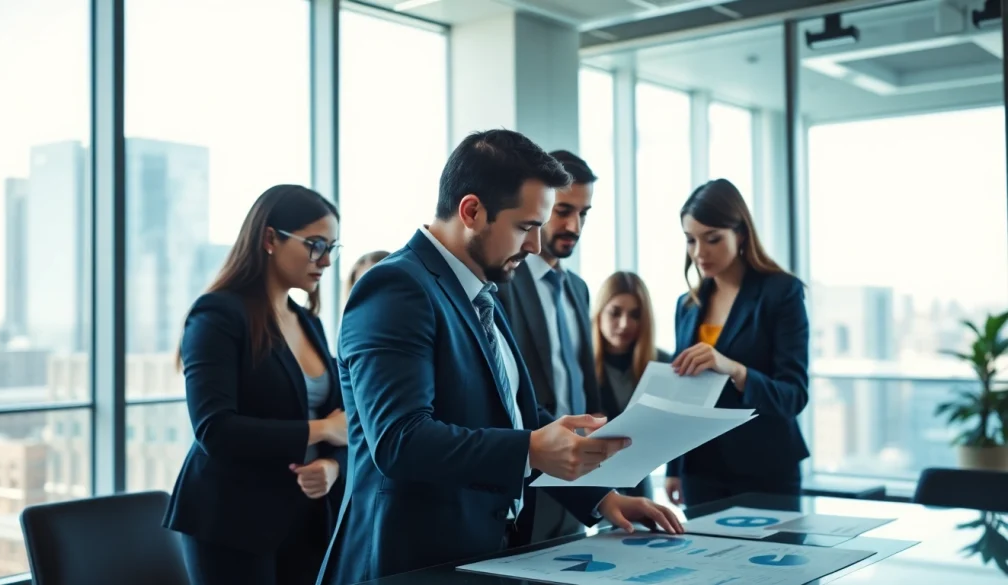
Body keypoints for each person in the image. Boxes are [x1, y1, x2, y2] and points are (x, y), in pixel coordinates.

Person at [318, 129, 682, 585]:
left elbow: (518, 415)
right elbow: (400, 440)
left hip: (484, 554)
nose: (534, 246)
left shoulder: (482, 292)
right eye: (526, 227)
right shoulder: (395, 288)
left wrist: (604, 499)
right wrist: (530, 449)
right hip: (409, 561)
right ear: (471, 211)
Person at [163, 185, 348, 585]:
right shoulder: (217, 315)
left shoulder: (308, 323)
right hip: (233, 522)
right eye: (316, 245)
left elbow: (343, 425)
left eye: (333, 247)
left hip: (307, 518)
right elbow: (215, 429)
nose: (327, 261)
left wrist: (332, 467)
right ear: (269, 238)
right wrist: (321, 430)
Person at [665, 178, 809, 508]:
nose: (700, 252)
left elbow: (794, 395)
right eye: (690, 240)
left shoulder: (781, 293)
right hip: (700, 471)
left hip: (765, 468)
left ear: (741, 233)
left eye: (712, 239)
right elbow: (682, 393)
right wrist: (675, 466)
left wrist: (734, 369)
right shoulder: (687, 306)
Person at [495, 149, 601, 544]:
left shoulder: (578, 289)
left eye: (584, 213)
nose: (574, 225)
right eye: (563, 210)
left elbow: (585, 383)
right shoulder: (503, 282)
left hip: (581, 472)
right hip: (529, 471)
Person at [591, 271, 670, 500]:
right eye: (615, 313)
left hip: (639, 482)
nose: (625, 324)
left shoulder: (663, 365)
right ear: (599, 314)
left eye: (635, 315)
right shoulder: (578, 366)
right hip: (590, 482)